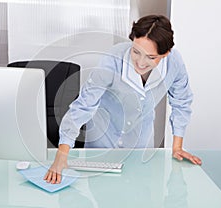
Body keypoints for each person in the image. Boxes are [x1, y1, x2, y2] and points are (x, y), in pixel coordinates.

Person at [44, 14, 202, 184]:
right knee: (104, 193)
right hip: (103, 140)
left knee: (139, 194)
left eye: (151, 57)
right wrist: (62, 154)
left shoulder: (174, 63)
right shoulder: (113, 59)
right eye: (136, 52)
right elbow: (84, 105)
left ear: (165, 54)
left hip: (140, 143)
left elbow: (181, 102)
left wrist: (177, 146)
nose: (141, 62)